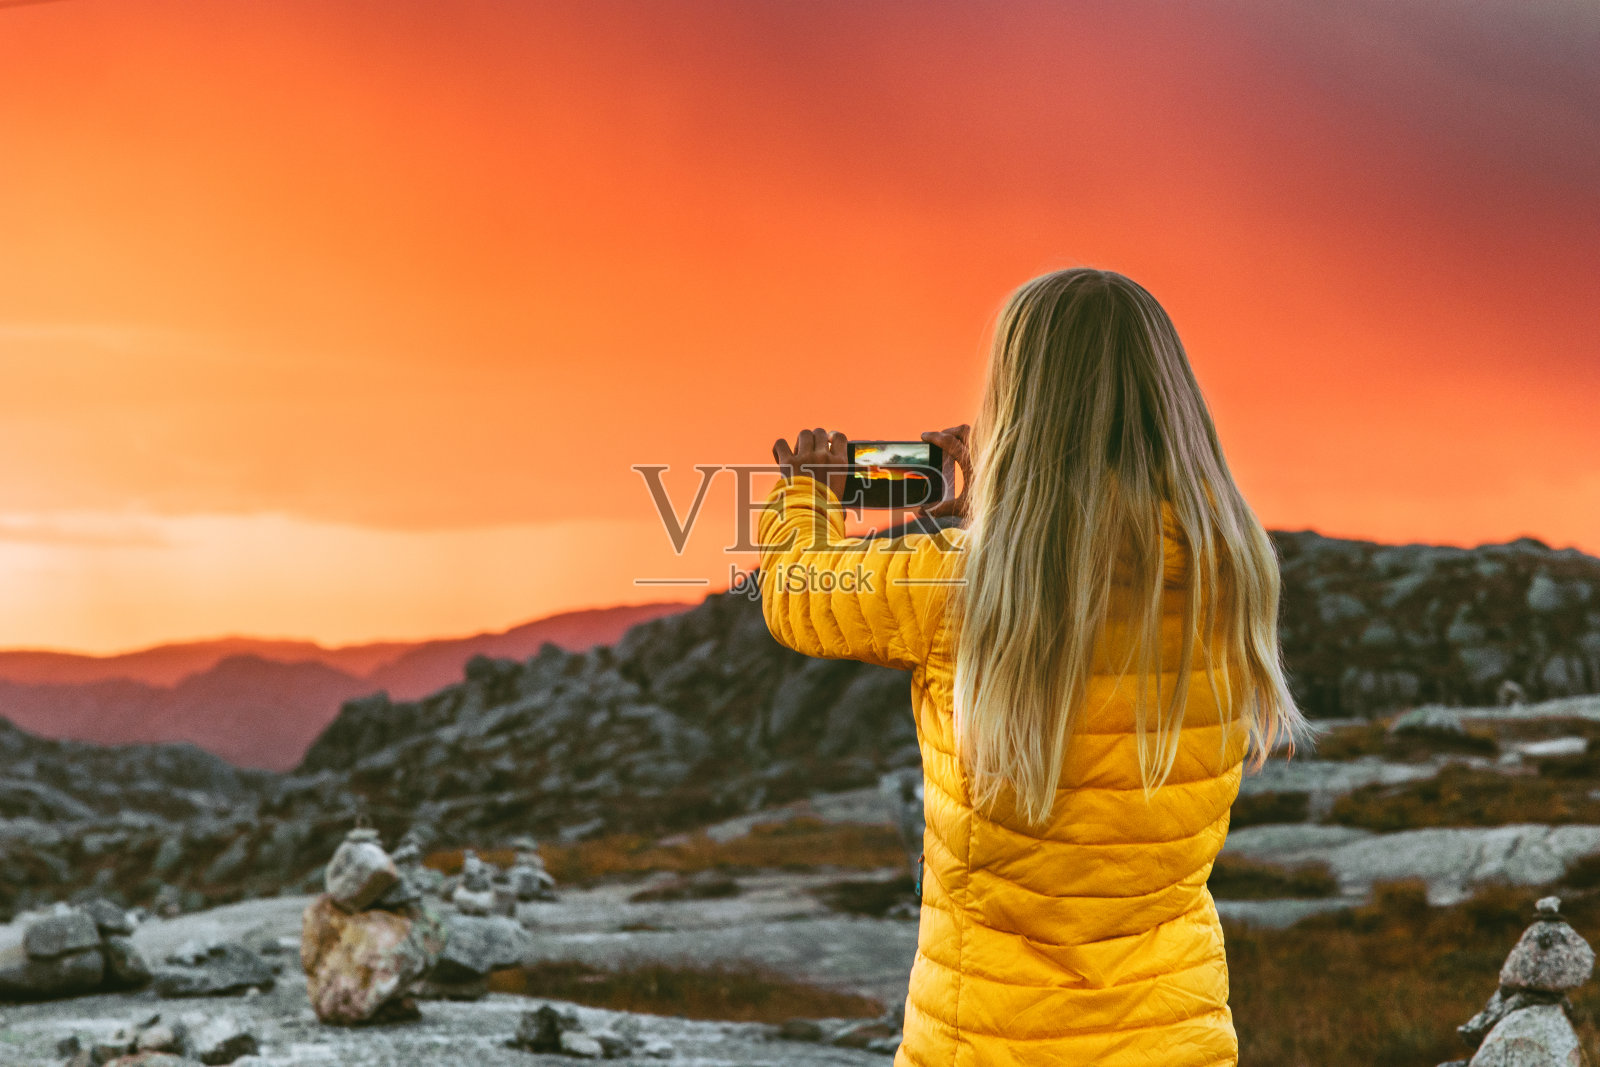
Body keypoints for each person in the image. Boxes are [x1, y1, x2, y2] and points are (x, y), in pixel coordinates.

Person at [756, 267, 1315, 1067]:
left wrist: (806, 495)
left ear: (1017, 405)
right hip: (1170, 1039)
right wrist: (999, 514)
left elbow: (796, 593)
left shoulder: (961, 581)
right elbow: (1093, 561)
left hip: (986, 1041)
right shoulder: (1228, 570)